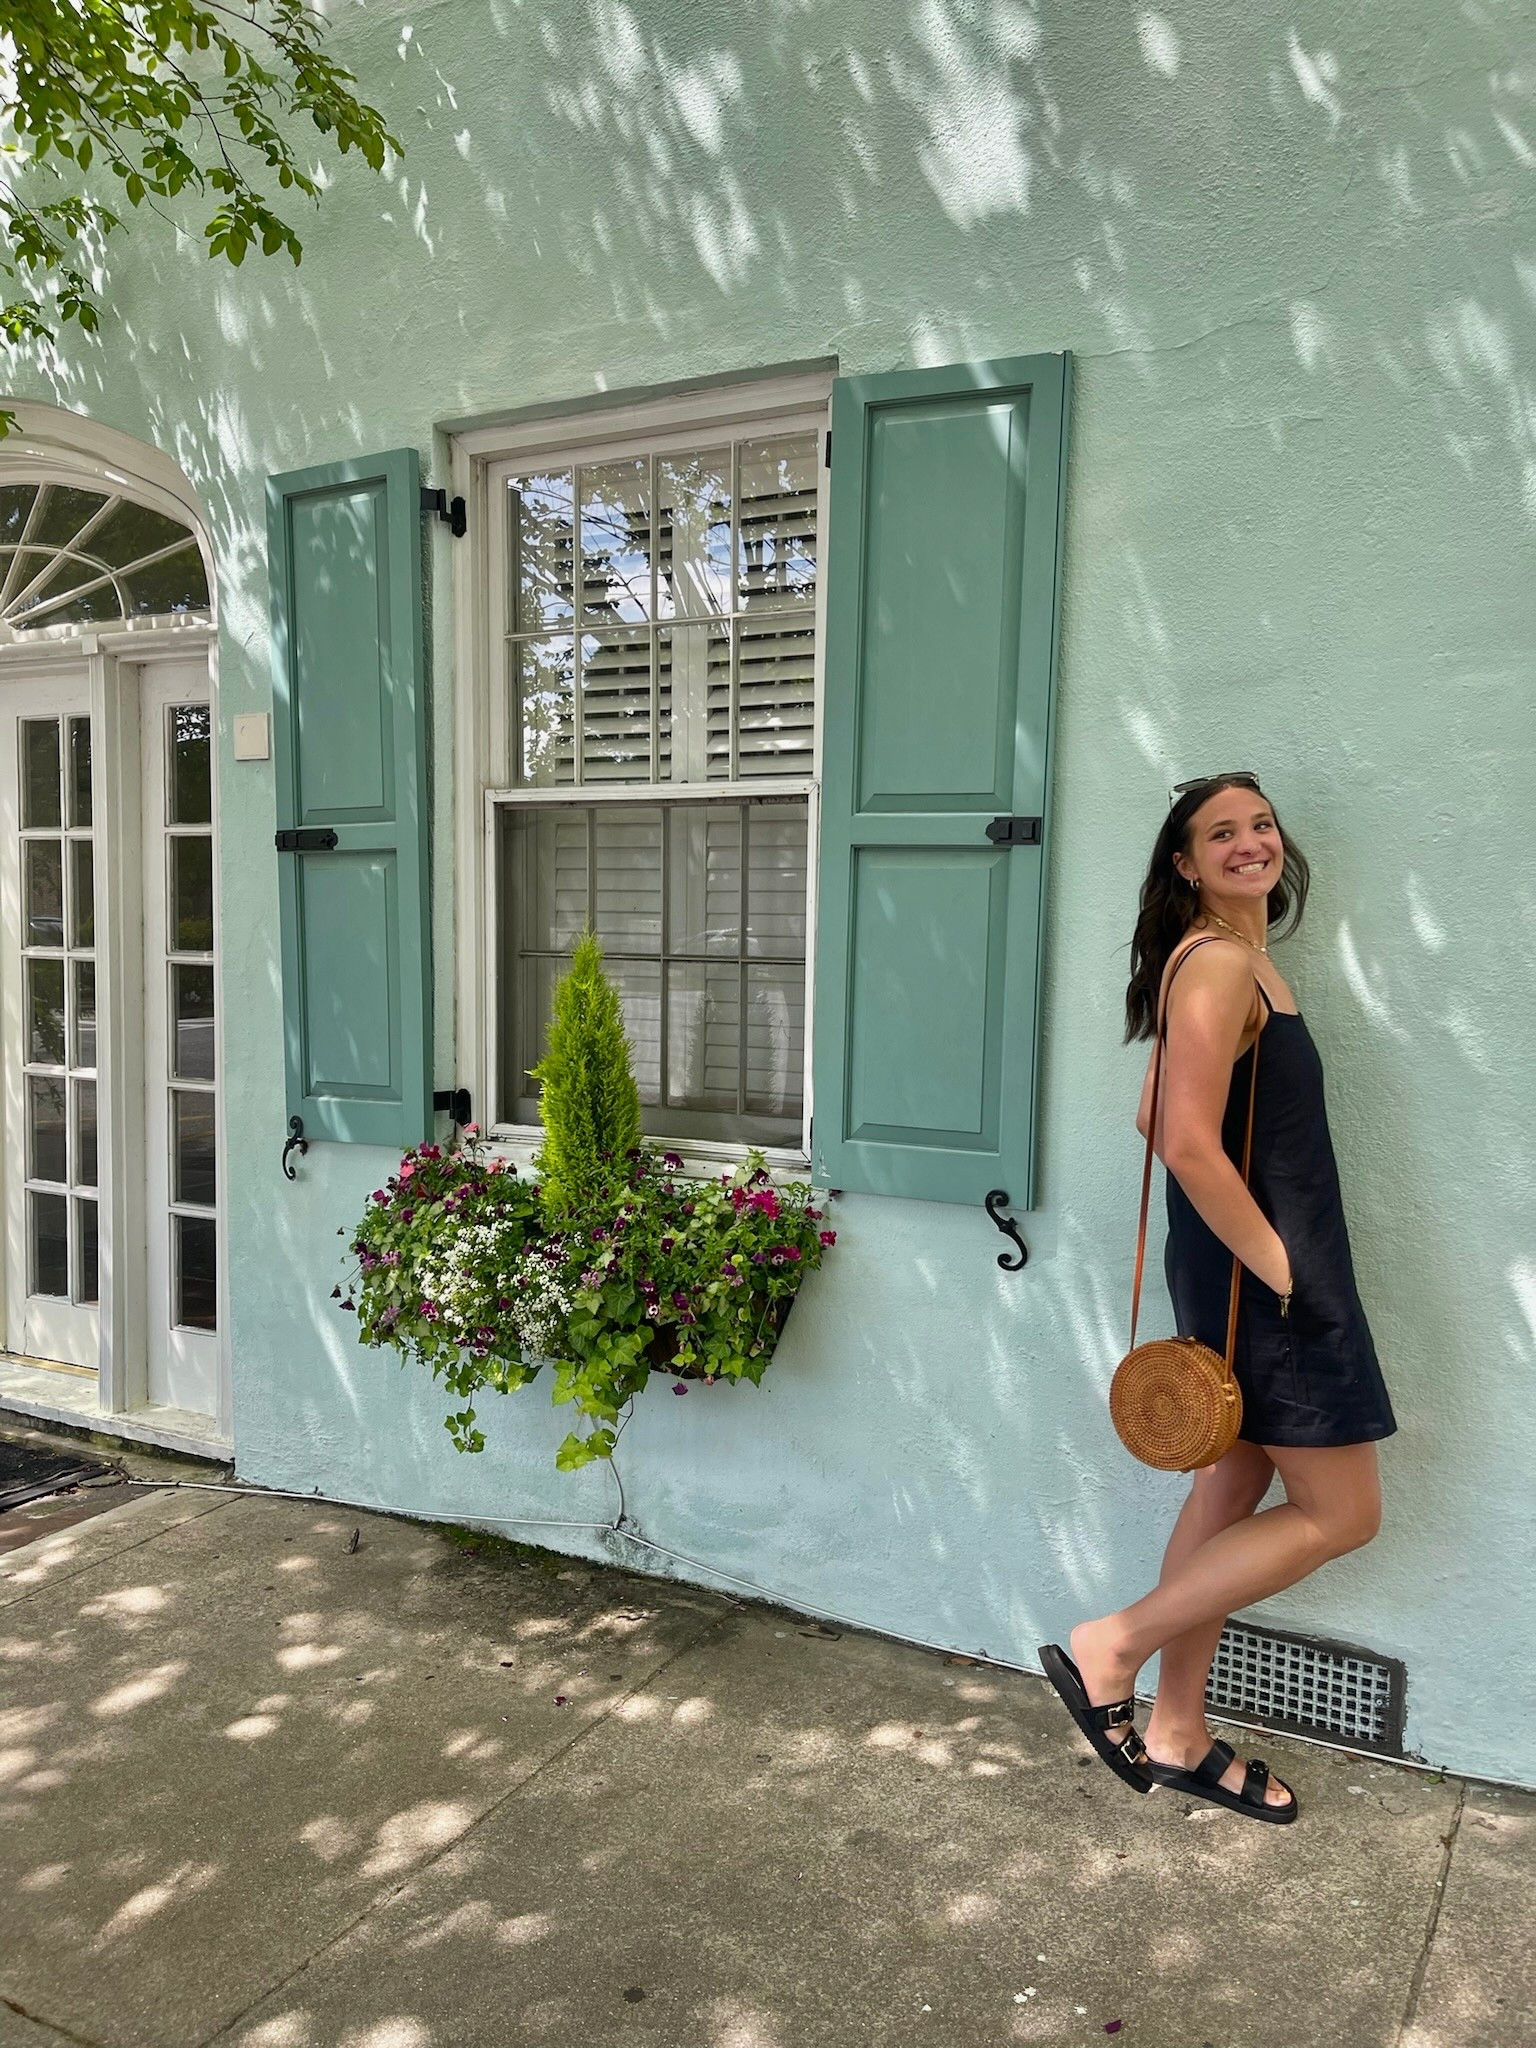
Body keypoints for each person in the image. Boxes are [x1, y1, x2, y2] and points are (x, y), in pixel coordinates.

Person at [1039, 772, 1396, 1824]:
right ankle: (1115, 1644)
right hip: (1271, 1286)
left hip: (1244, 1281)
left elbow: (1156, 1109)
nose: (1250, 841)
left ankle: (1178, 1729)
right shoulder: (1220, 965)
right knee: (1345, 1512)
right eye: (1220, 832)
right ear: (1185, 863)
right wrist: (1285, 1268)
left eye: (1262, 823)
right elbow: (1184, 1138)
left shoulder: (1227, 959)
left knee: (1228, 1489)